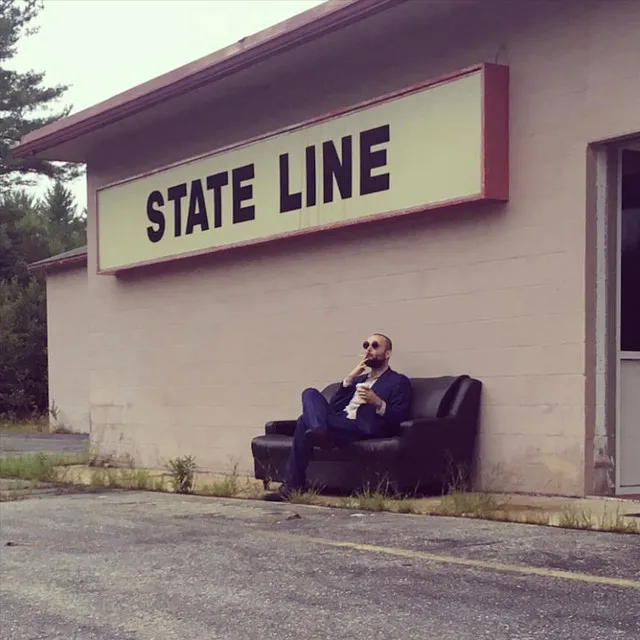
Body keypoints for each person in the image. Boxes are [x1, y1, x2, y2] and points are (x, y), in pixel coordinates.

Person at [264, 333, 412, 502]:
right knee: (310, 392)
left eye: (375, 345)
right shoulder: (358, 380)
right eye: (366, 346)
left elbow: (400, 416)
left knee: (303, 421)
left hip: (362, 426)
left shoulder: (398, 381)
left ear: (388, 354)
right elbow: (334, 406)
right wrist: (349, 379)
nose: (369, 349)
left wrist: (377, 402)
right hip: (341, 421)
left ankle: (293, 485)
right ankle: (320, 430)